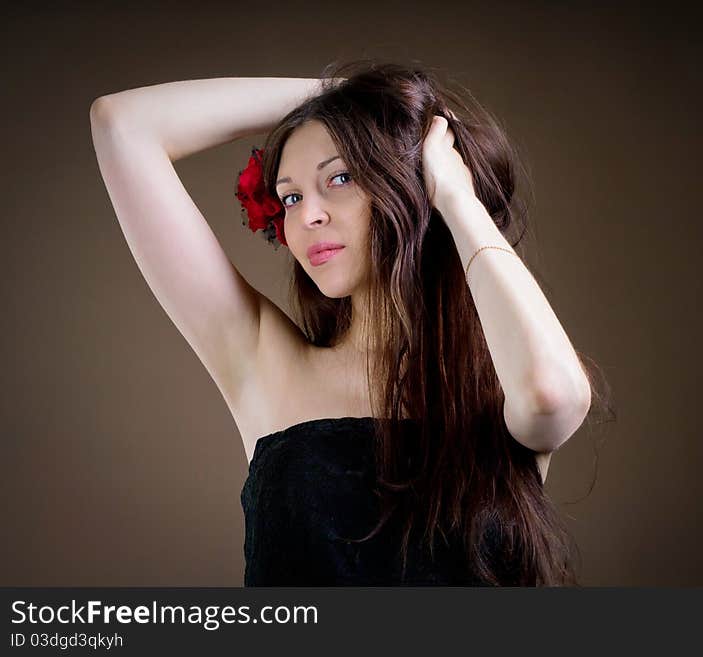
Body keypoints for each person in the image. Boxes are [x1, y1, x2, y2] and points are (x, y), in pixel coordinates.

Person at [89, 60, 607, 586]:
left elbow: (553, 395)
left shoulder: (501, 383)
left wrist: (455, 196)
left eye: (338, 178)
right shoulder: (266, 361)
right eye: (290, 197)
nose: (307, 215)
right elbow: (123, 125)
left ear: (415, 187)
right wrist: (352, 95)